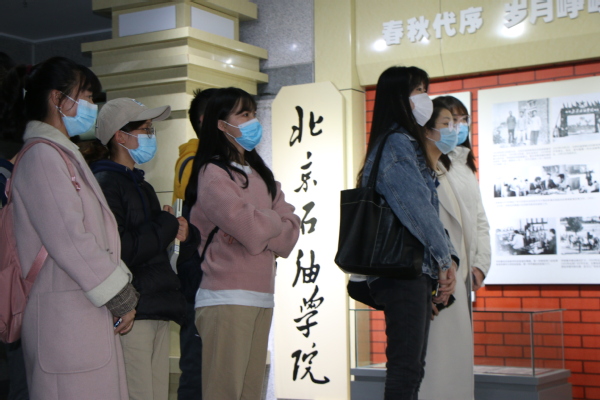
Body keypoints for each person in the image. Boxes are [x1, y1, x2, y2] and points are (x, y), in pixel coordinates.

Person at [1, 56, 137, 400]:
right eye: (86, 96)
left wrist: (118, 291)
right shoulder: (42, 156)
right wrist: (120, 295)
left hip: (80, 311)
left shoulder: (61, 154)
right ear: (57, 99)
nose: (92, 105)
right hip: (64, 319)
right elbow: (70, 240)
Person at [185, 87, 300, 399]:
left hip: (262, 296)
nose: (253, 121)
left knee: (250, 392)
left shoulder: (261, 173)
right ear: (221, 124)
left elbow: (290, 234)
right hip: (225, 296)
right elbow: (251, 229)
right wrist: (269, 221)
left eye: (253, 113)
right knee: (225, 391)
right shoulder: (212, 172)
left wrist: (261, 223)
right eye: (244, 114)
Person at [82, 98, 197, 400]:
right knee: (139, 392)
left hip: (155, 303)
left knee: (156, 392)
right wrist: (165, 225)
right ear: (120, 136)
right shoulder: (105, 183)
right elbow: (121, 248)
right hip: (131, 308)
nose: (150, 136)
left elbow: (154, 245)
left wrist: (180, 235)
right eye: (145, 129)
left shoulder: (140, 185)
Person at [357, 66, 458, 399]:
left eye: (425, 89)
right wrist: (444, 260)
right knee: (406, 368)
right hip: (402, 272)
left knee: (410, 367)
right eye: (418, 90)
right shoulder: (397, 143)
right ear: (398, 97)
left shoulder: (400, 142)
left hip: (408, 270)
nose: (425, 97)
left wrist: (444, 259)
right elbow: (416, 209)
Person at [173, 87, 217, 400]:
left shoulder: (210, 161)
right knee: (198, 369)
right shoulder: (195, 163)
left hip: (214, 279)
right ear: (206, 120)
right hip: (200, 280)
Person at [435, 95, 491, 291]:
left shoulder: (466, 168)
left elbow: (480, 220)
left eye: (463, 119)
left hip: (467, 273)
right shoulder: (433, 166)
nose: (459, 126)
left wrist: (481, 266)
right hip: (444, 273)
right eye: (452, 120)